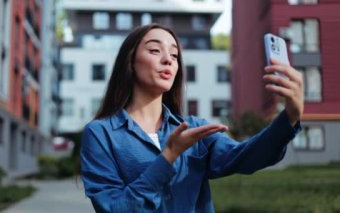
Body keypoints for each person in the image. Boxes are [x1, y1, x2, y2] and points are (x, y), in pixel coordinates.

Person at [80, 23, 303, 212]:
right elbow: (115, 207)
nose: (168, 60)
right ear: (130, 61)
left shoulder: (195, 130)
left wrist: (290, 117)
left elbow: (247, 157)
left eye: (175, 55)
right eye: (155, 51)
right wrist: (169, 156)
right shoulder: (100, 133)